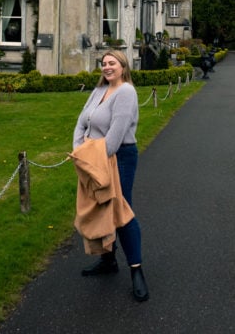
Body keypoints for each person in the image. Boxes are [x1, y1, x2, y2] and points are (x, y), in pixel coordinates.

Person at [72, 49, 149, 302]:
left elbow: (114, 140)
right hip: (92, 158)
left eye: (112, 63)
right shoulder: (97, 91)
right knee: (100, 206)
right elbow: (81, 123)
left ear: (123, 66)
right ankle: (108, 261)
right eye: (104, 63)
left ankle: (136, 271)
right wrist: (78, 150)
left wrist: (88, 154)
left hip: (119, 158)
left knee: (120, 211)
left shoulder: (126, 92)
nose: (107, 67)